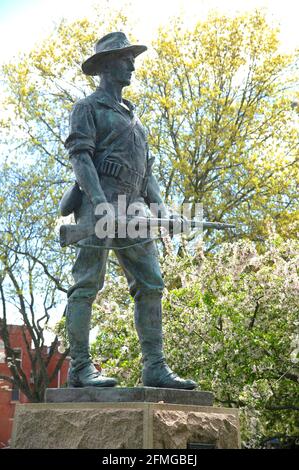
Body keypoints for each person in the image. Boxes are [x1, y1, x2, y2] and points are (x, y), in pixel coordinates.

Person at [63, 32, 197, 389]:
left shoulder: (134, 120)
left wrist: (165, 211)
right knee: (87, 284)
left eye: (131, 58)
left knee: (151, 283)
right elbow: (81, 157)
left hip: (134, 208)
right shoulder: (88, 108)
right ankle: (79, 368)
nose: (132, 64)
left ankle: (155, 367)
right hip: (99, 203)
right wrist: (101, 205)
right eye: (125, 59)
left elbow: (146, 174)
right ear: (107, 66)